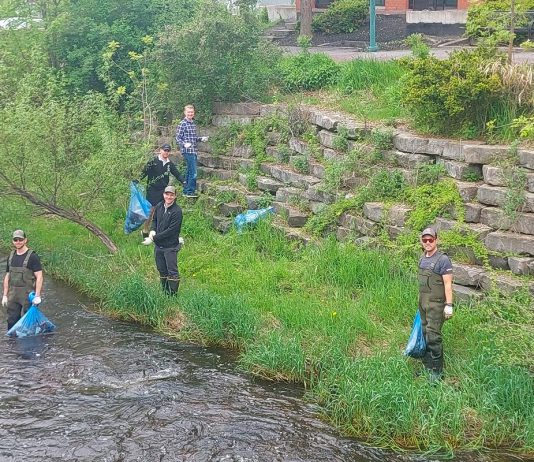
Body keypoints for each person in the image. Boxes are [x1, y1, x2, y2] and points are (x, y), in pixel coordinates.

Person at [417, 227, 453, 382]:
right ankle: (427, 365)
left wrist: (449, 305)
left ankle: (437, 371)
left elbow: (448, 285)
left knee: (433, 336)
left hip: (437, 305)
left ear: (436, 240)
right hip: (423, 304)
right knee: (425, 333)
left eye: (430, 240)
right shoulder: (422, 258)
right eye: (425, 240)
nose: (427, 243)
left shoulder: (443, 260)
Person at [142, 186, 183, 295]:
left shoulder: (177, 211)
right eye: (167, 194)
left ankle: (173, 296)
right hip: (158, 246)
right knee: (162, 270)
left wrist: (153, 238)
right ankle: (165, 293)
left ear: (175, 196)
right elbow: (154, 220)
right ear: (163, 194)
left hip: (171, 246)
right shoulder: (159, 206)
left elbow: (171, 231)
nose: (169, 197)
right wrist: (153, 230)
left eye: (171, 195)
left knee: (172, 272)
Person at [138, 143, 184, 237]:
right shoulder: (153, 161)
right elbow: (144, 172)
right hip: (152, 189)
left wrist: (184, 181)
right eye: (164, 150)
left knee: (162, 211)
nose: (166, 152)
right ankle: (145, 230)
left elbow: (177, 173)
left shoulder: (169, 164)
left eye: (168, 151)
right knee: (151, 211)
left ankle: (157, 231)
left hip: (163, 191)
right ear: (160, 150)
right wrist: (137, 180)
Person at [2, 230, 44, 330]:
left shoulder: (32, 257)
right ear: (13, 241)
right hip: (13, 295)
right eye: (15, 240)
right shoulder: (11, 256)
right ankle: (12, 343)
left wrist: (37, 296)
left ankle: (29, 344)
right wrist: (4, 295)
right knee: (11, 320)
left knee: (28, 323)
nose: (18, 242)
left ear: (25, 240)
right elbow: (7, 276)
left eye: (20, 239)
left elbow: (39, 276)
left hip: (28, 296)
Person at [175, 105, 208, 198]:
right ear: (185, 113)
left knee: (189, 171)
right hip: (187, 151)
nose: (190, 114)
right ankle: (190, 192)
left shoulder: (192, 124)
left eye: (192, 112)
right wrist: (184, 144)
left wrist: (201, 139)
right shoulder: (182, 124)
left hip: (193, 150)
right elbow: (177, 138)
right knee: (193, 172)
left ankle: (186, 190)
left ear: (194, 113)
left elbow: (193, 139)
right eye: (188, 112)